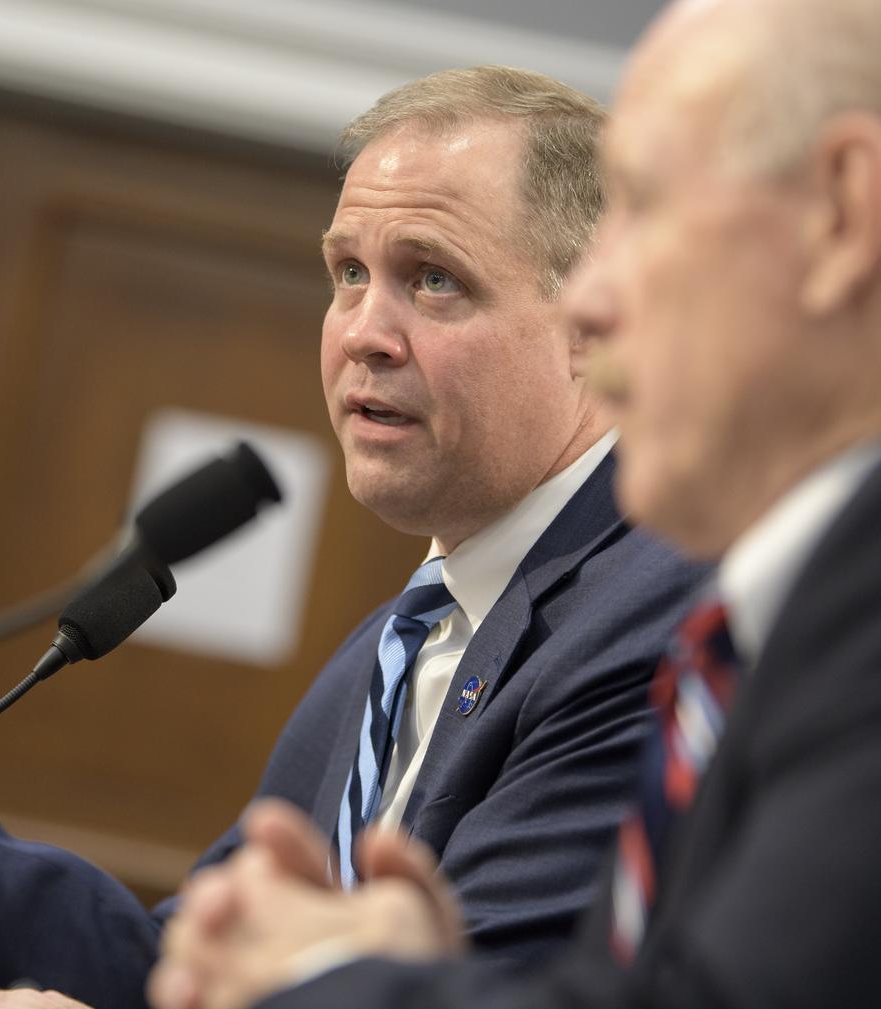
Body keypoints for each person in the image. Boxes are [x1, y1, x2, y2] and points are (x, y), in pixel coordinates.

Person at [0, 68, 704, 1008]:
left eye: (433, 277)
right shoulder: (398, 645)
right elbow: (174, 974)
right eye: (346, 272)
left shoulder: (658, 621)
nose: (364, 333)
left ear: (591, 322)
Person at [149, 1, 881, 1007]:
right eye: (347, 274)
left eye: (647, 206)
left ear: (841, 210)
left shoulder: (767, 619)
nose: (589, 302)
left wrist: (334, 975)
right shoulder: (781, 620)